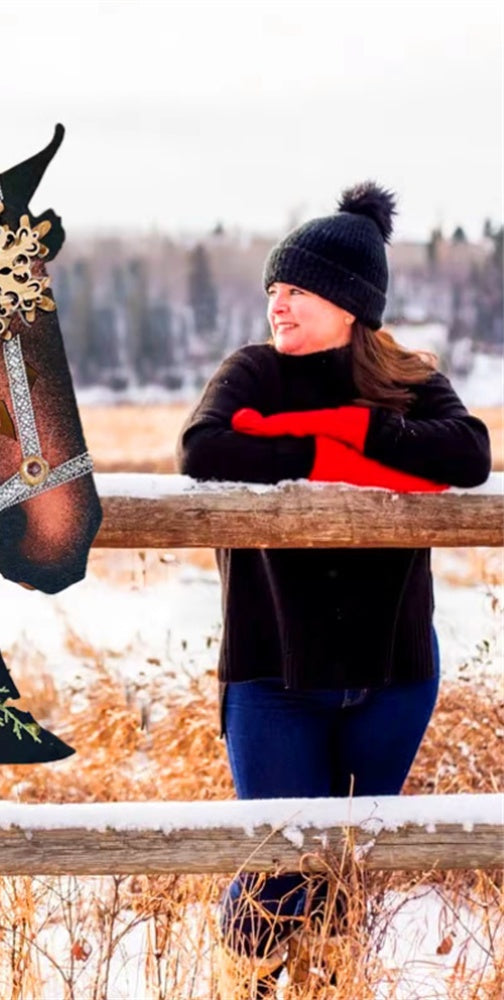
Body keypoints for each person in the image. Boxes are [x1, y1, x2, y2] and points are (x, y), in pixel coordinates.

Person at [176, 182, 492, 998]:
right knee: (279, 872)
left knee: (345, 871)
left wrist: (348, 428)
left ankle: (326, 988)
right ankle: (240, 982)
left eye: (297, 291)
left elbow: (465, 456)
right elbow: (205, 451)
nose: (277, 305)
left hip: (391, 676)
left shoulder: (411, 378)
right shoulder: (250, 372)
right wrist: (337, 457)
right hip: (273, 671)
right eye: (273, 291)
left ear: (350, 303)